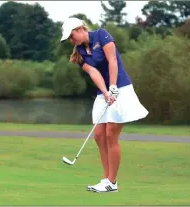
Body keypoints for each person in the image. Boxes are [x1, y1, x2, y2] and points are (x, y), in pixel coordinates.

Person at [60, 17, 149, 193]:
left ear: (79, 29)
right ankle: (105, 179)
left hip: (121, 88)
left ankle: (112, 182)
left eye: (71, 36)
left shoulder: (102, 35)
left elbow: (112, 61)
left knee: (110, 134)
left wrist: (114, 86)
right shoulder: (79, 53)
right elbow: (93, 72)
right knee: (99, 135)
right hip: (104, 93)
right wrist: (106, 92)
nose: (71, 41)